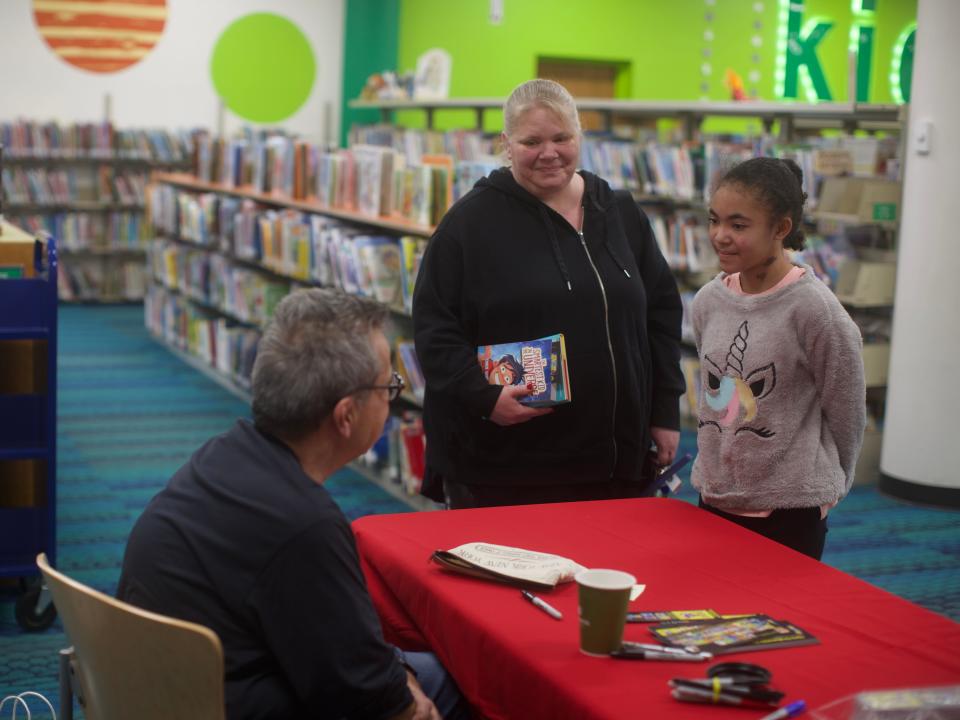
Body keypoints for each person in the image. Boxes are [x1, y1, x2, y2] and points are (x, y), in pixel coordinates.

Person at [117, 288, 467, 720]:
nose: (392, 397)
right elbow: (375, 699)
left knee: (420, 666)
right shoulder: (305, 527)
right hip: (225, 701)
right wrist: (405, 692)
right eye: (388, 386)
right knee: (458, 683)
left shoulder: (222, 454)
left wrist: (396, 670)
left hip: (154, 685)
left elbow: (343, 644)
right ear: (346, 416)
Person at [412, 78, 685, 508]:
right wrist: (482, 396)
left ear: (580, 136)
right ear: (506, 143)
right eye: (531, 141)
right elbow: (433, 329)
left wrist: (664, 410)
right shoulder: (469, 225)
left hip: (616, 461)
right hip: (510, 468)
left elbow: (661, 315)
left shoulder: (620, 213)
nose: (549, 153)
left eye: (562, 138)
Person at [690, 156, 866, 560]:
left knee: (780, 621)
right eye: (714, 220)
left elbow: (846, 408)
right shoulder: (707, 301)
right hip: (715, 497)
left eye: (738, 225)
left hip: (789, 508)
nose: (720, 235)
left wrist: (833, 485)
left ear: (780, 229)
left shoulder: (814, 309)